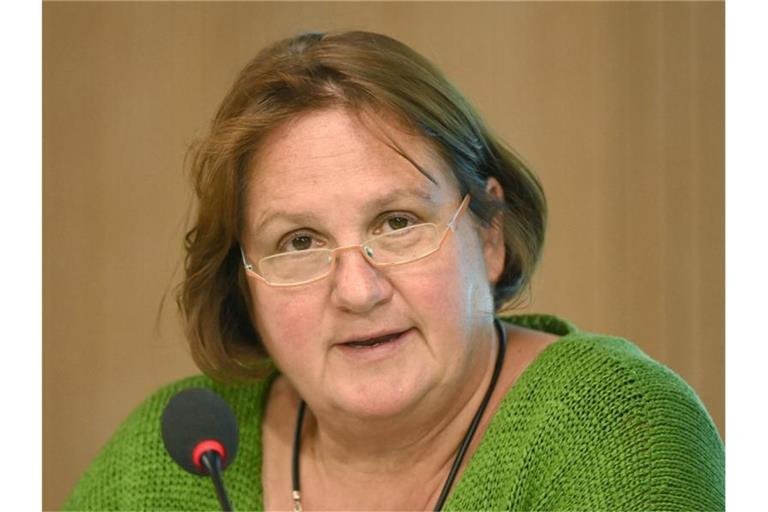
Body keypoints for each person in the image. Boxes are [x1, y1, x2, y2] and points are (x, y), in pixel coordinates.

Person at [64, 31, 725, 511]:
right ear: (244, 283)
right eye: (298, 241)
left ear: (489, 234)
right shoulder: (173, 457)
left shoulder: (613, 425)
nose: (357, 290)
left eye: (398, 224)